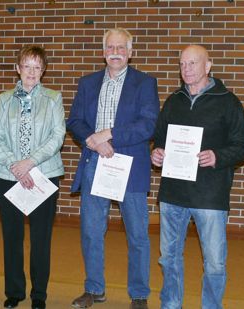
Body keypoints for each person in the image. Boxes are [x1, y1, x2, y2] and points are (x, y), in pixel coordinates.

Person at [151, 45, 244, 309]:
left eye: (193, 63)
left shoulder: (228, 101)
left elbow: (242, 147)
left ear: (208, 66)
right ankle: (171, 304)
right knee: (168, 258)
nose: (186, 69)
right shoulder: (173, 100)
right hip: (172, 194)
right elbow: (159, 139)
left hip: (210, 196)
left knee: (215, 262)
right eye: (182, 64)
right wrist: (157, 154)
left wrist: (218, 157)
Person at [67, 28, 160, 309]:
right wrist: (93, 142)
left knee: (137, 235)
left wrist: (109, 135)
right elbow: (75, 121)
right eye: (110, 47)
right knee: (91, 231)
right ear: (103, 51)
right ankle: (94, 289)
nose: (115, 52)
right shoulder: (87, 83)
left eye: (121, 47)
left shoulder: (145, 83)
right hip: (94, 163)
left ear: (130, 52)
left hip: (129, 166)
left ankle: (139, 294)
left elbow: (148, 124)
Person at [0, 45, 65, 309]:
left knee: (40, 240)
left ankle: (38, 295)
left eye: (37, 67)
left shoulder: (54, 99)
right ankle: (14, 291)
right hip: (8, 177)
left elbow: (57, 137)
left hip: (43, 177)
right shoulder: (4, 99)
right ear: (18, 68)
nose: (31, 72)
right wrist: (15, 166)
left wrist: (30, 163)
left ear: (43, 70)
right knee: (12, 237)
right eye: (26, 66)